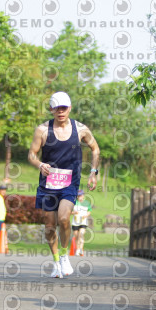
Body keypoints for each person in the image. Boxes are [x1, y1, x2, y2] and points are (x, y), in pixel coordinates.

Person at [28, 91, 100, 278]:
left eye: (64, 108)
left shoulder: (81, 129)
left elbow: (95, 149)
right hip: (48, 183)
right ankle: (55, 262)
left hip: (69, 182)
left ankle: (64, 255)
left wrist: (93, 172)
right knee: (50, 225)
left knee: (64, 218)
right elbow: (32, 155)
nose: (60, 111)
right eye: (57, 108)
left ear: (70, 108)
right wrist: (40, 164)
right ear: (51, 109)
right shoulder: (42, 130)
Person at [71, 190, 91, 256]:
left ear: (83, 196)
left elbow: (89, 211)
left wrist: (86, 215)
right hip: (75, 222)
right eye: (78, 196)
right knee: (76, 236)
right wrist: (74, 213)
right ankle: (77, 248)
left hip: (83, 221)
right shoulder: (74, 203)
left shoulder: (87, 203)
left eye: (81, 195)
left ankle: (80, 249)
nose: (80, 197)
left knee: (81, 234)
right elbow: (69, 212)